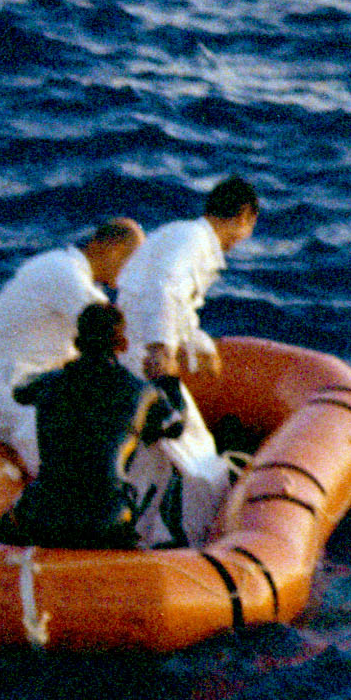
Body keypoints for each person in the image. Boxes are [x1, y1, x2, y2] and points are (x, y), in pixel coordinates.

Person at [114, 177, 258, 545]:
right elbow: (166, 289)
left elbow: (177, 307)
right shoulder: (193, 242)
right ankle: (195, 543)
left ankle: (145, 537)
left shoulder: (179, 235)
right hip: (144, 363)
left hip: (129, 356)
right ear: (245, 217)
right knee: (197, 459)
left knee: (152, 462)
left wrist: (200, 347)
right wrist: (162, 350)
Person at [0, 214, 143, 456]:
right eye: (130, 262)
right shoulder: (66, 275)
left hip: (7, 385)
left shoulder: (56, 264)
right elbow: (117, 332)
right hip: (7, 393)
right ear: (109, 249)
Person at [6, 299, 155, 550]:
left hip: (44, 515)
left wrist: (54, 371)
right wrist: (168, 382)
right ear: (123, 344)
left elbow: (20, 391)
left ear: (77, 342)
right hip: (106, 518)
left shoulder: (50, 383)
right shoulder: (141, 391)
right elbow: (176, 426)